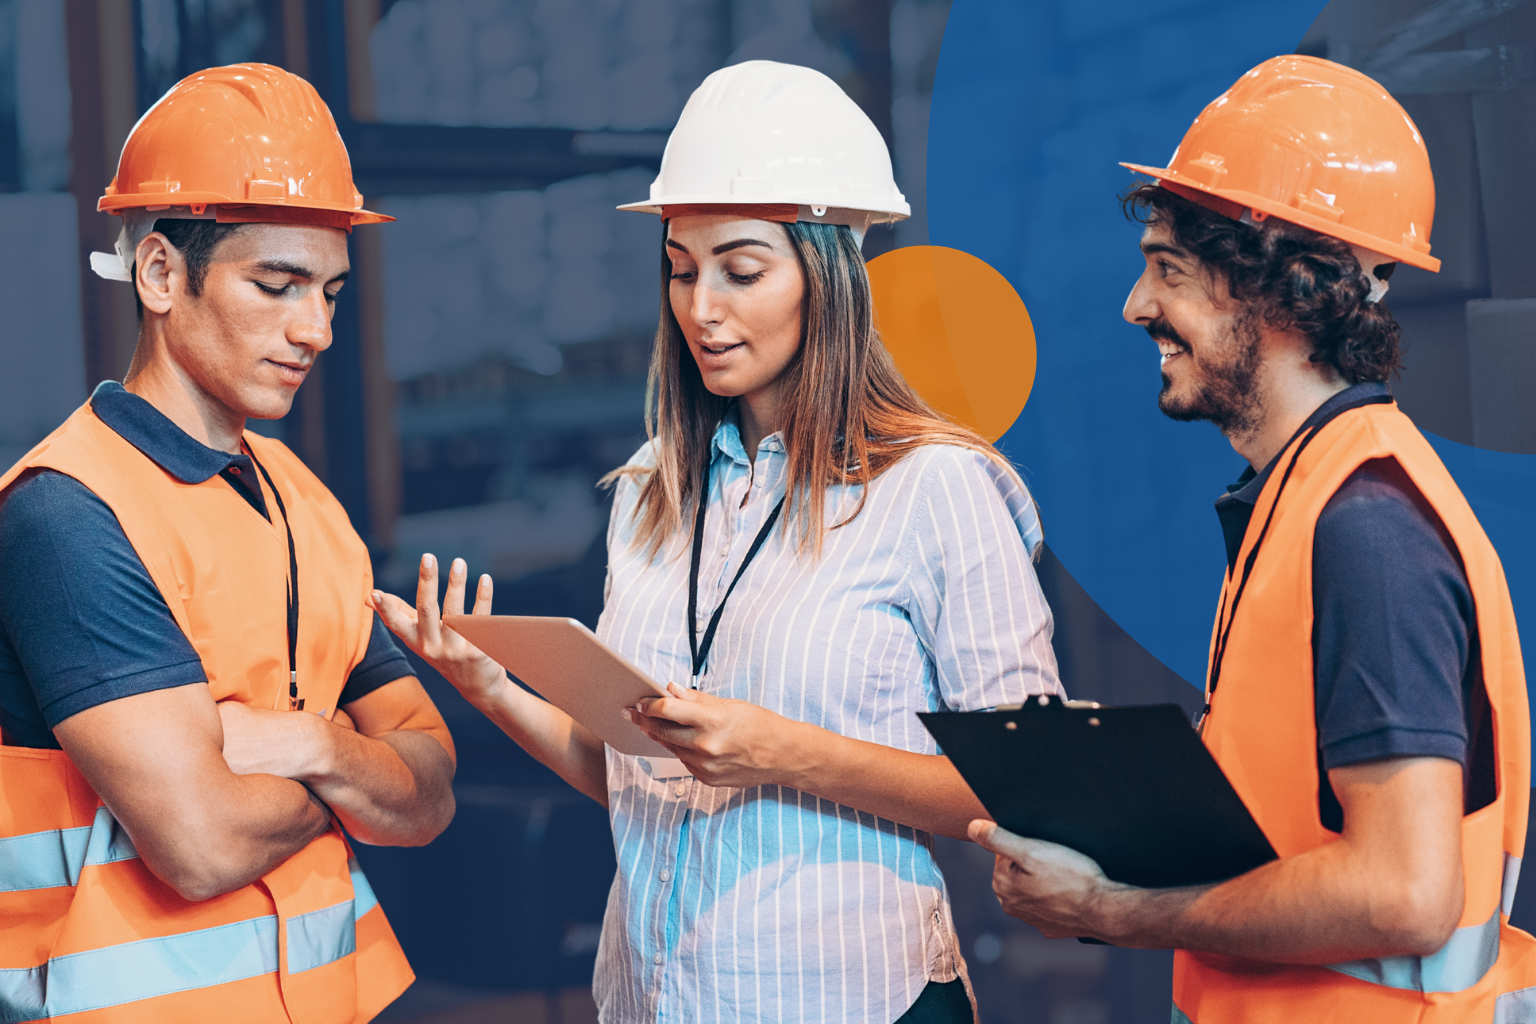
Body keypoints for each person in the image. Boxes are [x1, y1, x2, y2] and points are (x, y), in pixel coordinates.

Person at [373, 60, 1060, 1024]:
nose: (701, 308)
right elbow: (639, 782)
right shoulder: (656, 487)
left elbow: (1036, 797)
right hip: (653, 998)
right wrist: (492, 688)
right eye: (682, 270)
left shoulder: (934, 489)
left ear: (828, 277)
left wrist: (784, 752)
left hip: (853, 997)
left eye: (741, 271)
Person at [968, 55, 1536, 1022]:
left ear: (1278, 290)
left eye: (1169, 270)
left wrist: (1115, 908)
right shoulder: (1307, 497)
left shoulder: (1367, 529)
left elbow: (1405, 894)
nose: (1137, 306)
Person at [0, 65, 454, 1023]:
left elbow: (432, 791)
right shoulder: (66, 516)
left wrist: (299, 743)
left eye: (330, 291)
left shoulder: (303, 501)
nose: (317, 329)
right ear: (161, 274)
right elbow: (199, 840)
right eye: (277, 286)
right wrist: (358, 774)